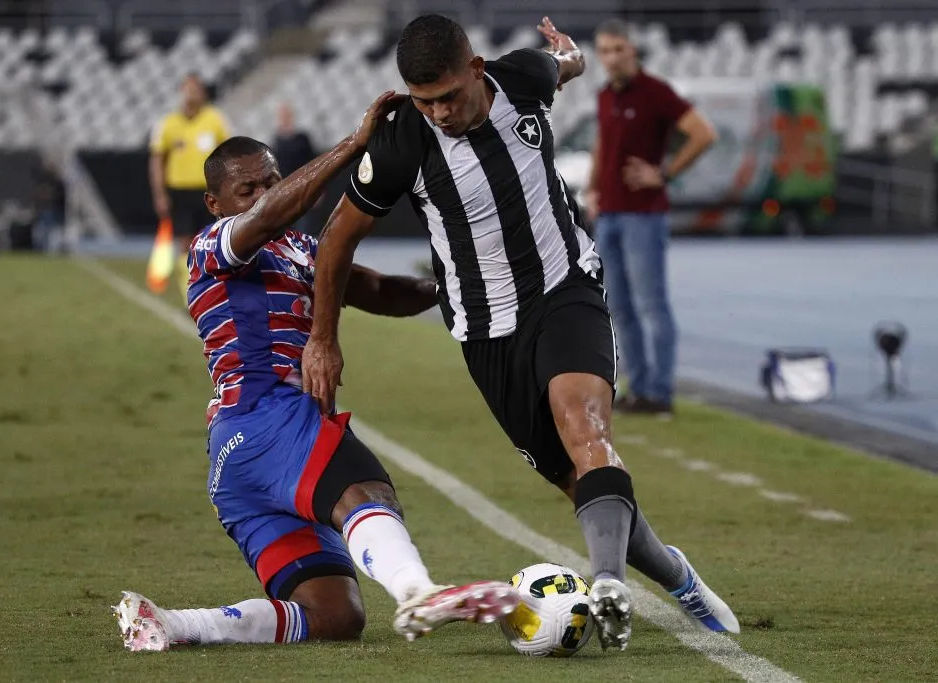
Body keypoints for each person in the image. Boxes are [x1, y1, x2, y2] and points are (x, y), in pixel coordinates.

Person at [302, 15, 738, 652]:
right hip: (486, 334)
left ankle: (608, 585)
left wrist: (571, 53)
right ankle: (677, 575)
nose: (440, 112)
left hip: (565, 288)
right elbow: (335, 243)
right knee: (580, 482)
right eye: (425, 101)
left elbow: (565, 64)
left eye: (449, 95)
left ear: (476, 70)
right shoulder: (401, 143)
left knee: (585, 425)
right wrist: (324, 338)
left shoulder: (522, 77)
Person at [114, 93, 519, 652]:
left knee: (335, 615)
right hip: (267, 421)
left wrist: (455, 286)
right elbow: (271, 214)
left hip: (236, 461)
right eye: (247, 189)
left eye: (271, 181)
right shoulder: (213, 246)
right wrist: (355, 145)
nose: (264, 194)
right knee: (367, 488)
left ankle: (177, 625)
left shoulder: (304, 249)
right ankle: (417, 591)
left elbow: (379, 292)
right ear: (214, 203)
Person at [584, 19, 717, 415]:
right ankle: (638, 387)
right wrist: (593, 189)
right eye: (605, 51)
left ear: (633, 50)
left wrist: (664, 173)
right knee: (620, 307)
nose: (611, 58)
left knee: (652, 305)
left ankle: (660, 393)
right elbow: (602, 145)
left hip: (644, 215)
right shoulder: (606, 95)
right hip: (609, 212)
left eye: (618, 49)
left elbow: (703, 134)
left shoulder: (656, 93)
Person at [149, 74, 232, 301]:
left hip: (208, 192)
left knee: (210, 242)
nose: (191, 93)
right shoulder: (168, 123)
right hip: (180, 191)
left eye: (195, 89)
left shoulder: (215, 120)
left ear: (203, 93)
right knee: (185, 243)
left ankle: (211, 291)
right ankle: (190, 294)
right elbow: (157, 160)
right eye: (187, 88)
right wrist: (160, 193)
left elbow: (229, 154)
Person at [272, 102, 318, 234]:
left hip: (303, 188)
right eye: (281, 115)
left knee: (303, 228)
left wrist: (318, 190)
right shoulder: (276, 140)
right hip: (283, 191)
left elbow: (313, 163)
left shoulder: (302, 138)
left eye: (286, 114)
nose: (284, 118)